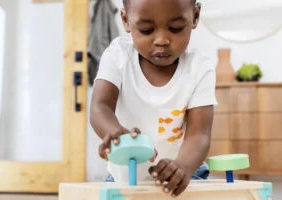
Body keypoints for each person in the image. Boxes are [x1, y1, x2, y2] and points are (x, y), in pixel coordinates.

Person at [90, 0, 217, 197]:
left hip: (185, 174)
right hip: (123, 177)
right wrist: (113, 131)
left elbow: (199, 135)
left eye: (175, 28)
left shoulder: (199, 68)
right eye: (146, 30)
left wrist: (181, 167)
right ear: (126, 20)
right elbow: (100, 106)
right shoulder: (118, 55)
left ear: (195, 16)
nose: (162, 40)